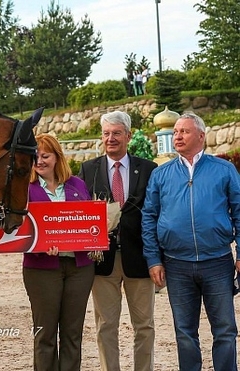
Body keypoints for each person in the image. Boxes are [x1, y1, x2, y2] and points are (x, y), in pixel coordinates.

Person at [142, 112, 240, 371]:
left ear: (200, 136)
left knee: (226, 330)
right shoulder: (161, 175)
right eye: (175, 131)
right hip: (176, 265)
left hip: (217, 262)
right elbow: (149, 217)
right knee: (184, 332)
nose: (177, 136)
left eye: (184, 131)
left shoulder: (224, 170)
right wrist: (153, 259)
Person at [79, 111, 157, 371]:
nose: (110, 138)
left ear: (128, 135)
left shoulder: (148, 169)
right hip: (102, 261)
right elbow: (78, 214)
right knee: (105, 326)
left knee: (144, 326)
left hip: (140, 258)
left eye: (116, 133)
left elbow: (156, 213)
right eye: (106, 134)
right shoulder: (87, 170)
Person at [23, 134, 95, 371]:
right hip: (42, 270)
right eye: (35, 156)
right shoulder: (26, 188)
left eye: (45, 156)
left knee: (73, 333)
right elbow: (17, 231)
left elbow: (88, 221)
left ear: (57, 157)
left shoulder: (78, 185)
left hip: (79, 267)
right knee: (45, 334)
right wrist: (41, 244)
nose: (39, 161)